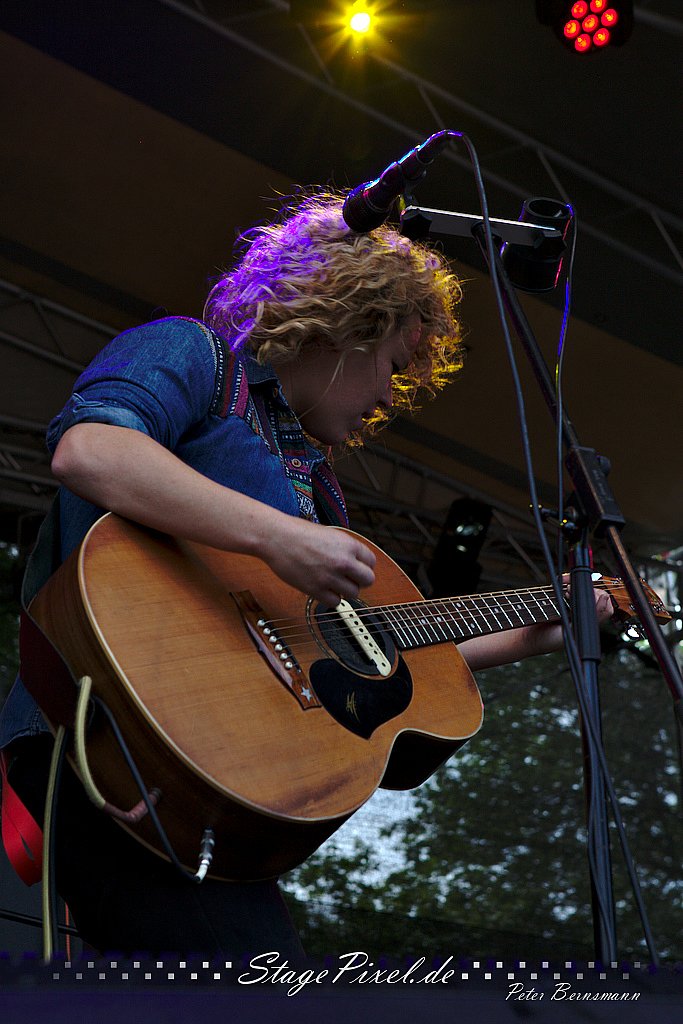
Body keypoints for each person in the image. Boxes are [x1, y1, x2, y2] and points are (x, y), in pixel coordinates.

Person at [0, 191, 612, 957]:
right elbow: (91, 451)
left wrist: (544, 628)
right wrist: (277, 536)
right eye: (392, 365)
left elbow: (370, 651)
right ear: (352, 321)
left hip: (222, 780)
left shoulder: (316, 488)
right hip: (113, 739)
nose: (389, 396)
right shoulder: (194, 355)